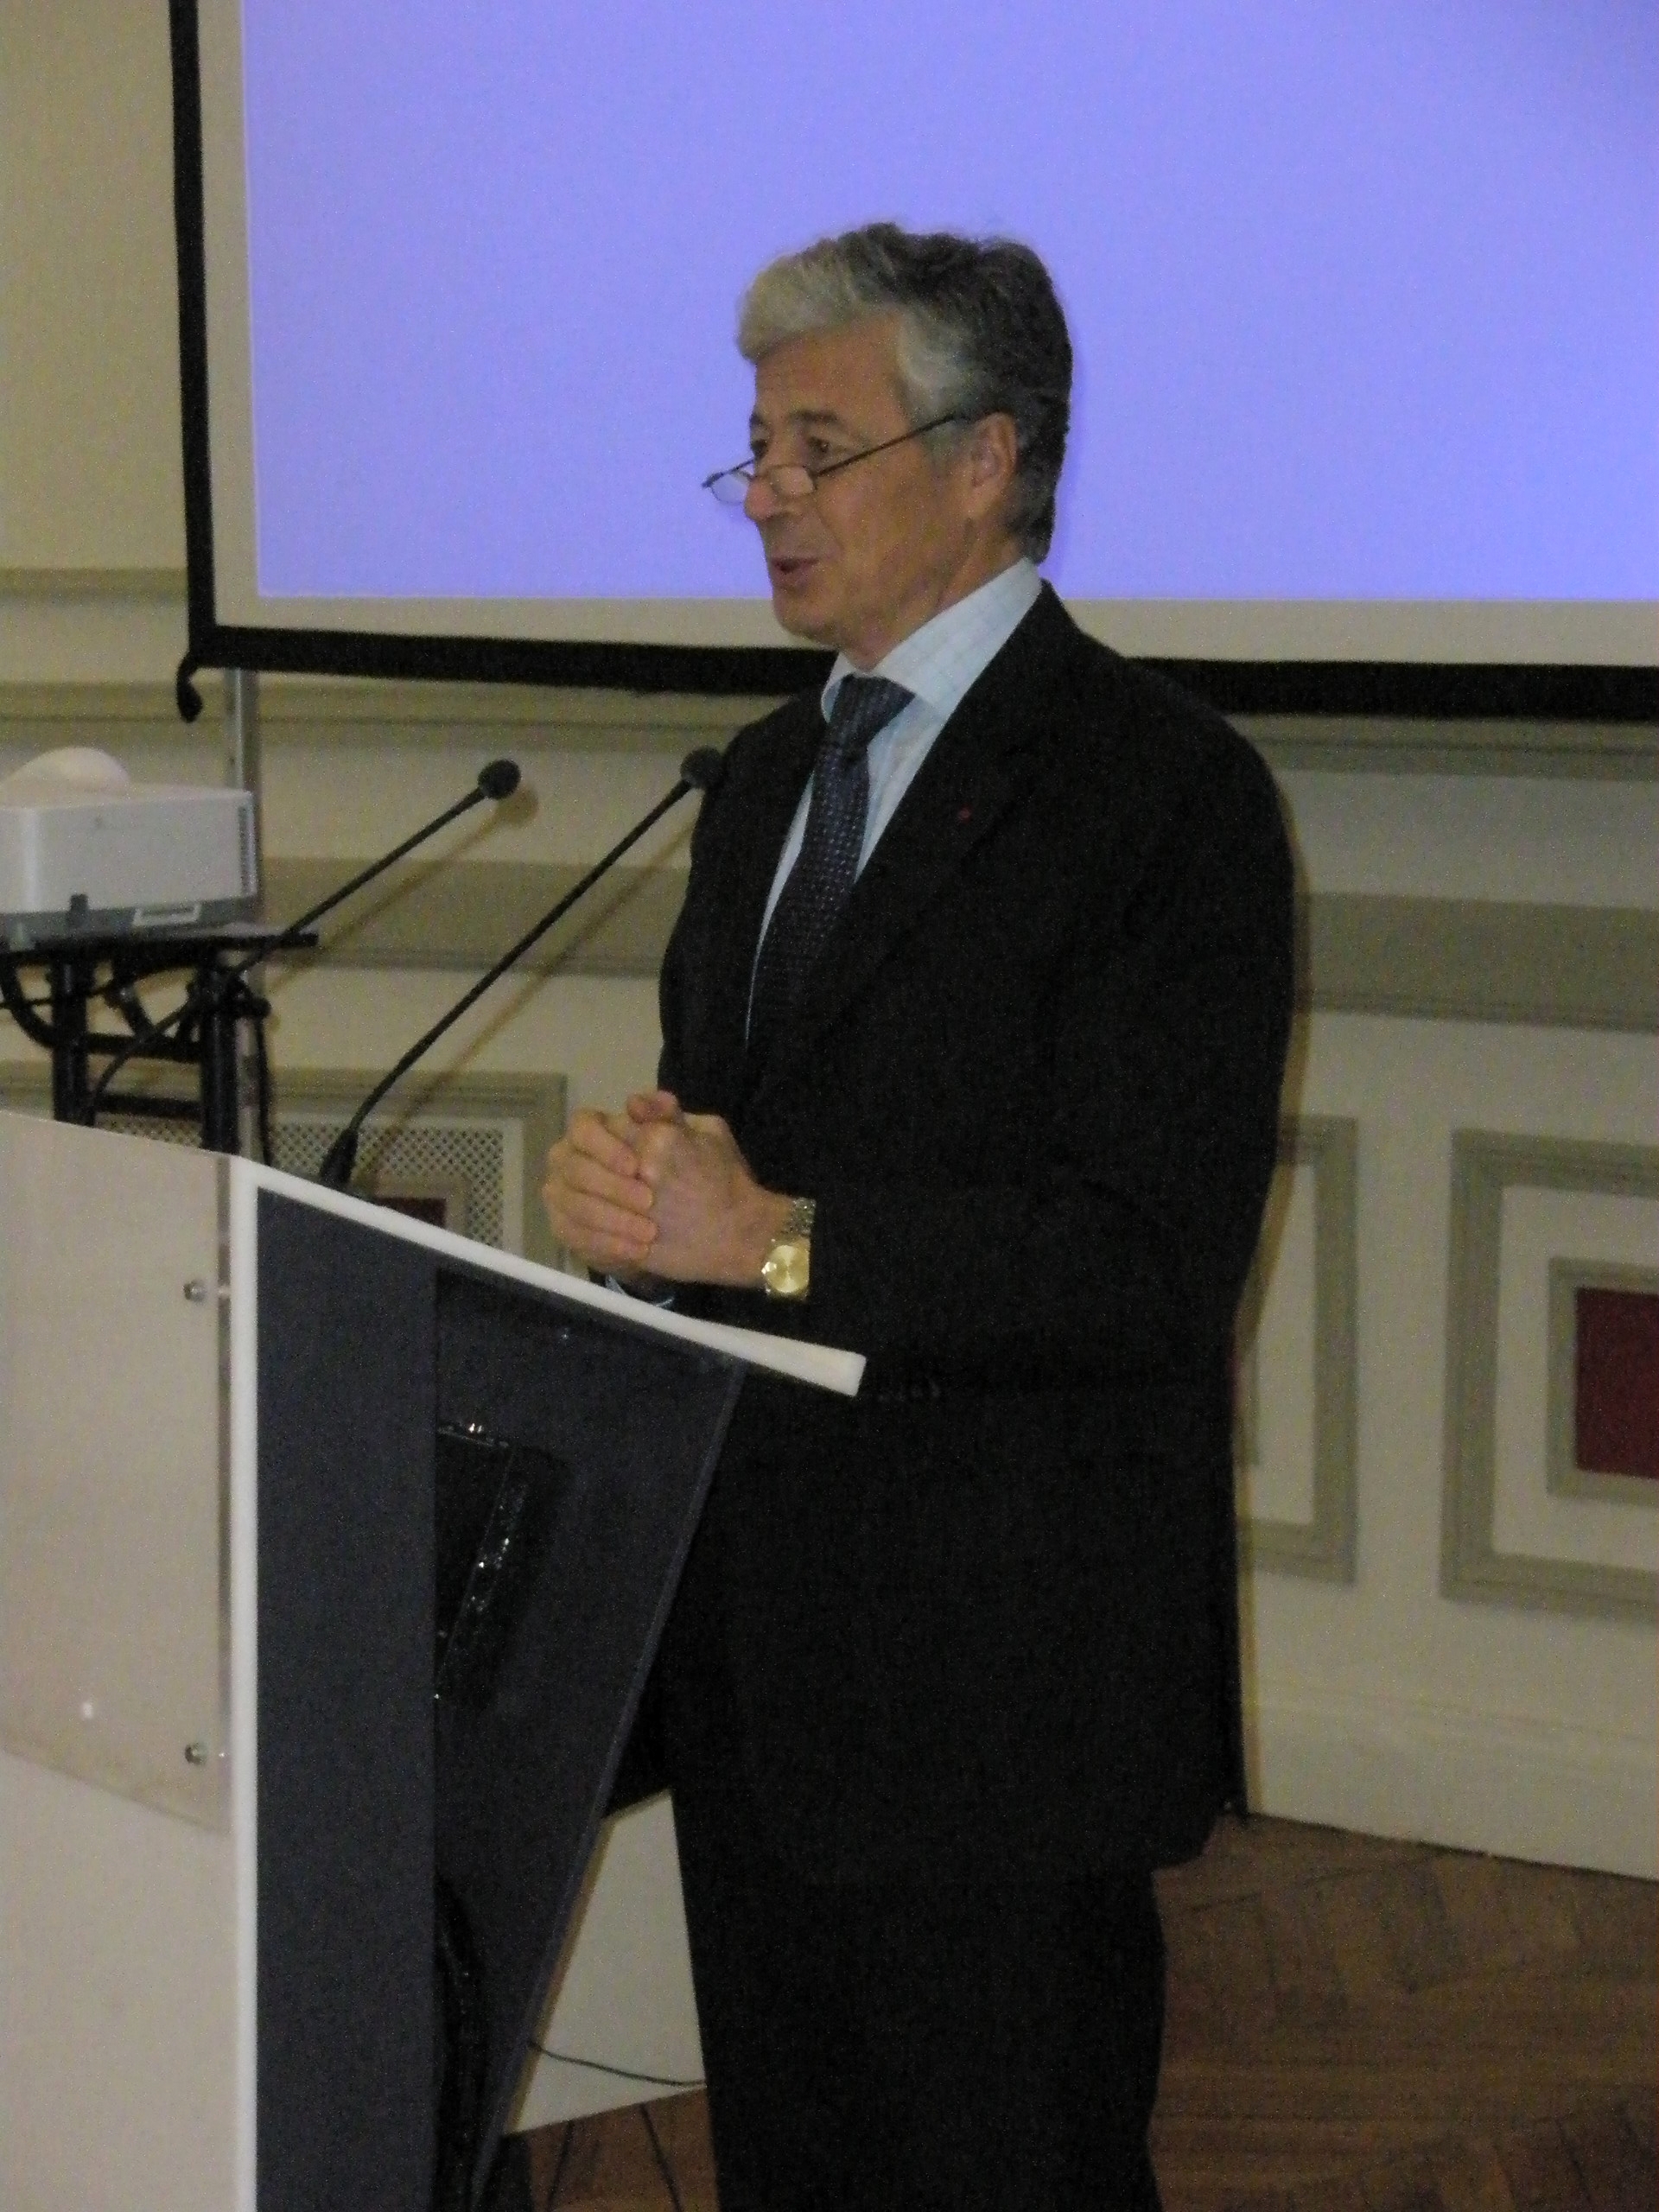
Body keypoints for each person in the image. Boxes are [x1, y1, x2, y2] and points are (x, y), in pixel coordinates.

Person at [543, 223, 1294, 2211]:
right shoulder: (762, 776)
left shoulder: (1164, 795)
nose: (769, 498)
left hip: (1002, 1680)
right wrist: (643, 1203)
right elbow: (741, 1160)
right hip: (762, 1651)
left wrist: (770, 1237)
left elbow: (1144, 1264)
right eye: (756, 451)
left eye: (820, 448)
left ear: (985, 461)